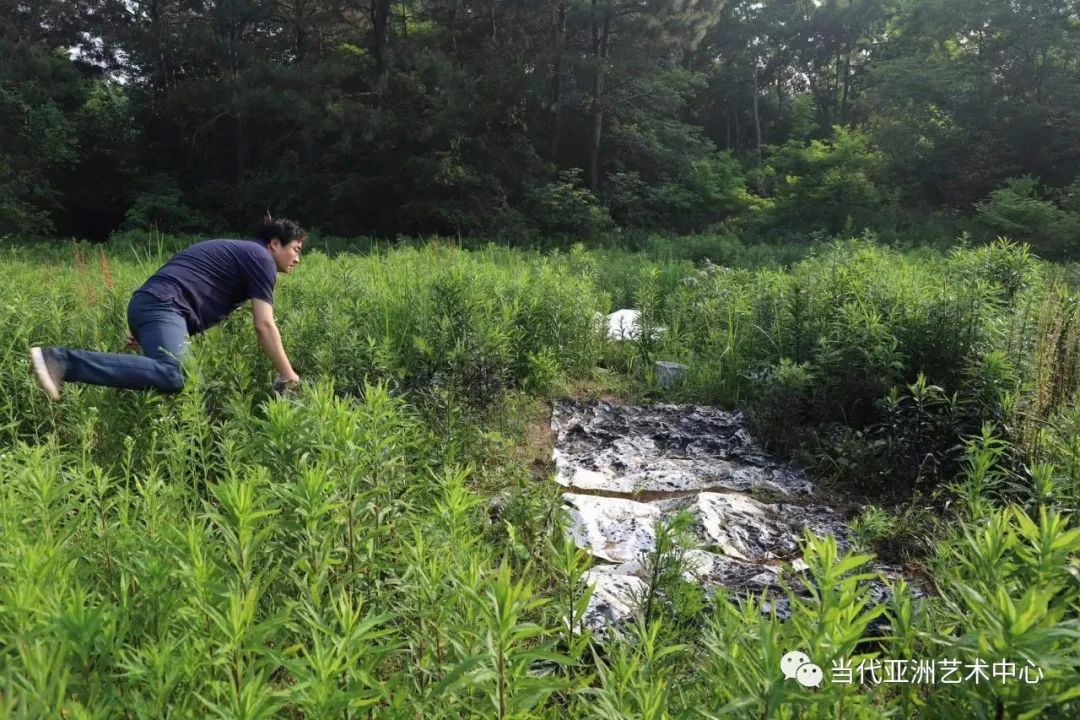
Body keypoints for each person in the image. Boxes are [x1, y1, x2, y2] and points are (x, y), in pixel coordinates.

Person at [29, 218, 305, 401]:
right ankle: (61, 360)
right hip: (162, 305)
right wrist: (288, 375)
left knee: (192, 387)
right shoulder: (260, 258)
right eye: (295, 248)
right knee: (176, 374)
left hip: (154, 306)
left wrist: (150, 330)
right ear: (274, 244)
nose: (297, 258)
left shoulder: (244, 254)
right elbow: (264, 325)